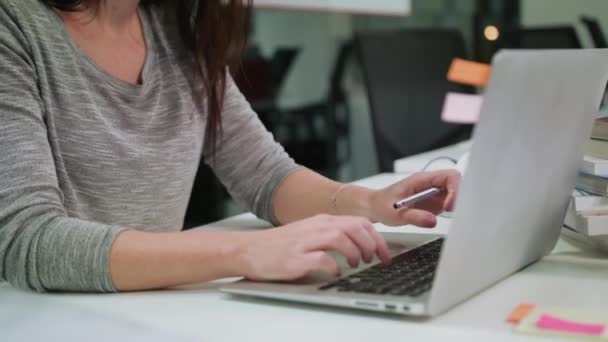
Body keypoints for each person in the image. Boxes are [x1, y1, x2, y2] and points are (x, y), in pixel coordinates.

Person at [0, 0, 459, 293]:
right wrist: (241, 253)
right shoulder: (14, 23)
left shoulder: (176, 26)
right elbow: (29, 239)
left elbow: (266, 175)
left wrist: (375, 203)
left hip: (152, 314)